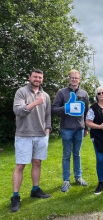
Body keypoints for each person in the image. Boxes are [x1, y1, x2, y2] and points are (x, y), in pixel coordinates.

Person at [10, 69, 52, 212]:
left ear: (42, 79)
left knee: (37, 163)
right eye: (35, 77)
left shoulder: (46, 95)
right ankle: (15, 196)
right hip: (24, 134)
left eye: (40, 77)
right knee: (20, 165)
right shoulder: (21, 92)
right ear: (29, 78)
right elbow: (18, 111)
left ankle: (35, 190)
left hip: (41, 135)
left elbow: (48, 115)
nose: (38, 79)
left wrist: (47, 130)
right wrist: (35, 102)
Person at [52, 69, 89, 192]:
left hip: (79, 128)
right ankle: (66, 180)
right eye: (72, 77)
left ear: (80, 80)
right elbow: (54, 109)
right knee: (66, 155)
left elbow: (87, 112)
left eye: (76, 78)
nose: (74, 80)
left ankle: (78, 177)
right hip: (66, 128)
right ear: (69, 79)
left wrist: (86, 128)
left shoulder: (84, 94)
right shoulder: (62, 93)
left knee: (77, 154)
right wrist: (65, 108)